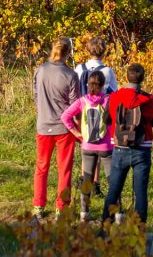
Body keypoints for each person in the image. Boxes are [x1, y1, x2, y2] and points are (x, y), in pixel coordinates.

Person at [101, 63, 153, 225]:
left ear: (126, 77)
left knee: (114, 190)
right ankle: (139, 228)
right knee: (140, 192)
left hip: (120, 148)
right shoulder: (149, 99)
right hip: (141, 150)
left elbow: (106, 119)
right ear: (142, 78)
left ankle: (105, 227)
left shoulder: (115, 97)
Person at [33, 37, 80, 220]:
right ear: (68, 53)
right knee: (64, 169)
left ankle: (38, 204)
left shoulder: (40, 70)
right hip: (63, 128)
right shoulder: (70, 75)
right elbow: (74, 105)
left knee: (41, 167)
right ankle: (62, 206)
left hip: (44, 125)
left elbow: (36, 95)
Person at [60, 69, 113, 222]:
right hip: (106, 147)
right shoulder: (108, 100)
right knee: (112, 181)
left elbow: (65, 116)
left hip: (87, 145)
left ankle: (84, 212)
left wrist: (76, 133)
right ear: (103, 85)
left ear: (88, 84)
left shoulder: (82, 101)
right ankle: (115, 212)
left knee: (87, 179)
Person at [73, 36, 117, 195]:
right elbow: (114, 93)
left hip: (82, 111)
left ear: (88, 50)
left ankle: (84, 179)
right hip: (101, 111)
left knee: (86, 146)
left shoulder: (79, 68)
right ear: (104, 51)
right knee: (98, 144)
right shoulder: (107, 71)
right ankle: (95, 183)